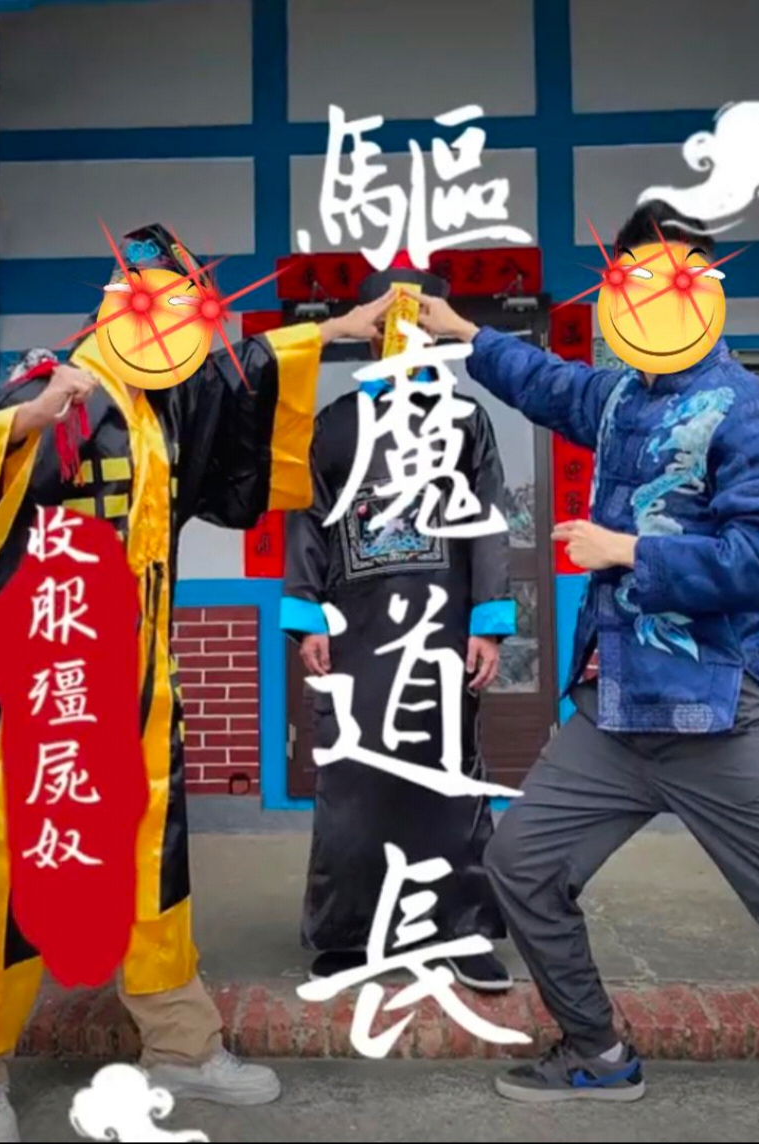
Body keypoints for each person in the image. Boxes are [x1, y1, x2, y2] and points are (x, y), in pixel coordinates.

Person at [416, 201, 759, 1134]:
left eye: (682, 278)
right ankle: (596, 1050)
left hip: (718, 711)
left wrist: (627, 550)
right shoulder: (624, 395)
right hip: (617, 709)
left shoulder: (741, 406)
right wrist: (465, 332)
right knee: (520, 863)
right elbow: (550, 382)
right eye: (641, 278)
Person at [0, 223, 395, 1144]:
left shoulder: (161, 401)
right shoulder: (58, 383)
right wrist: (26, 423)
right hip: (60, 683)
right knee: (26, 867)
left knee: (153, 866)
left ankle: (180, 1044)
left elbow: (243, 386)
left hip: (144, 682)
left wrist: (332, 332)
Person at [280, 255, 515, 992]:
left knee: (448, 776)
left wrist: (488, 622)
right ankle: (351, 932)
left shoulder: (467, 422)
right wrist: (307, 618)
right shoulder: (334, 425)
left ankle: (462, 929)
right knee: (354, 780)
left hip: (443, 630)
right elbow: (309, 523)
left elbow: (490, 521)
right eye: (392, 323)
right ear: (370, 333)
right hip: (356, 631)